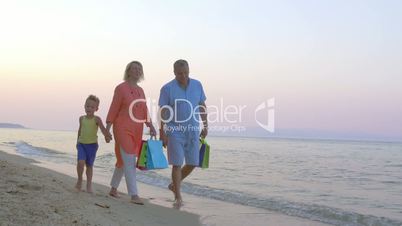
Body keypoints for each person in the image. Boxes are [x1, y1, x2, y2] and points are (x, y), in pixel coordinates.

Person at [106, 61, 156, 205]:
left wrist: (151, 126)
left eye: (139, 68)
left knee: (123, 160)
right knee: (129, 159)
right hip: (122, 127)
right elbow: (114, 108)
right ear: (128, 71)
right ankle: (134, 195)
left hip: (137, 129)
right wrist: (107, 129)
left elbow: (144, 110)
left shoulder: (141, 91)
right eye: (134, 68)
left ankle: (113, 189)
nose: (137, 70)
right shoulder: (121, 88)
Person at [159, 59, 208, 207]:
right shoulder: (167, 88)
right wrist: (163, 132)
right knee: (177, 164)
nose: (184, 76)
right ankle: (178, 196)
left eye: (186, 72)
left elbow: (202, 106)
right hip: (175, 131)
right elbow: (163, 111)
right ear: (174, 73)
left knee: (193, 162)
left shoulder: (197, 85)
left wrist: (205, 125)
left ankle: (175, 184)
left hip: (193, 130)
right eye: (180, 73)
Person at [76, 95, 112, 193]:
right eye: (87, 106)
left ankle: (89, 184)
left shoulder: (97, 119)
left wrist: (107, 136)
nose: (89, 108)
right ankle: (79, 180)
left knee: (89, 165)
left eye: (92, 107)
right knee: (80, 162)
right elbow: (80, 130)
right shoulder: (81, 119)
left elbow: (103, 129)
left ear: (96, 109)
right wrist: (77, 142)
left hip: (92, 146)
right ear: (84, 106)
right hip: (81, 144)